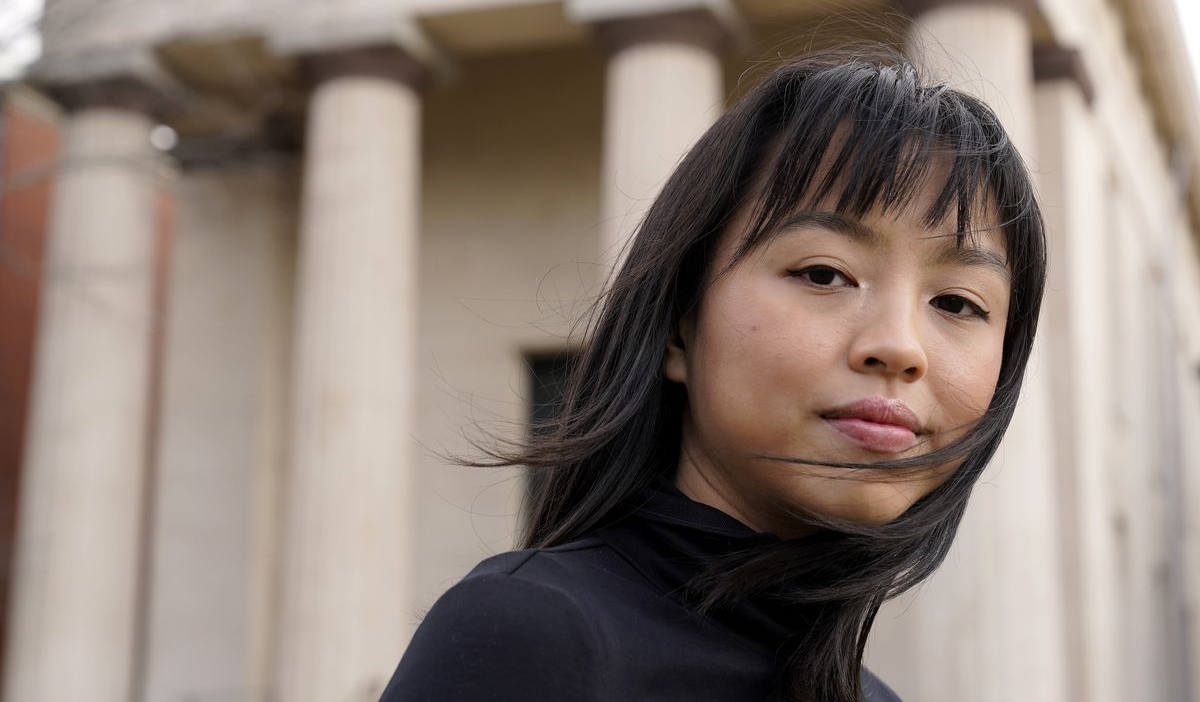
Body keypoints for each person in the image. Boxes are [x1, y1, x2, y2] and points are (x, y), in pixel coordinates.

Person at [381, 47, 1047, 702]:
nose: (900, 348)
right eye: (823, 273)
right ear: (678, 322)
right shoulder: (532, 636)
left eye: (958, 304)